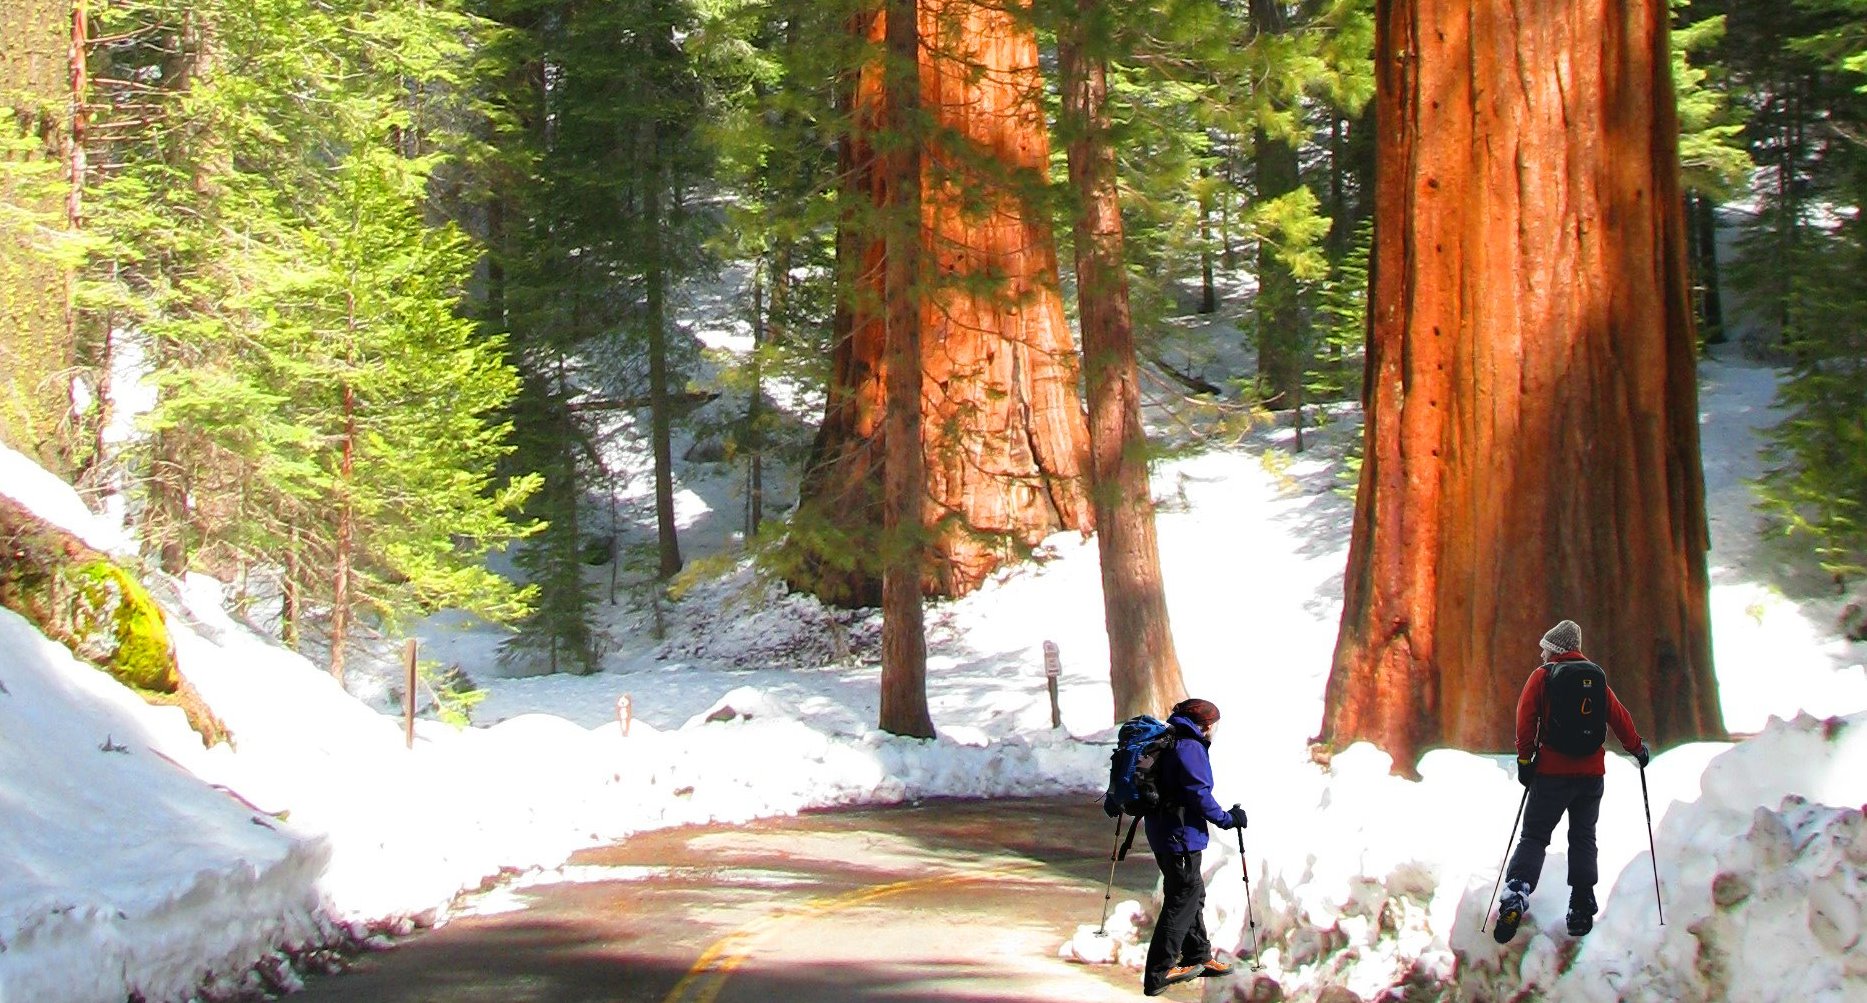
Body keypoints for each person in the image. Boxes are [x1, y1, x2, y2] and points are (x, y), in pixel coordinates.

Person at [1494, 619, 1650, 943]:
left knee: (1535, 836)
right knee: (1583, 837)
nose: (1542, 654)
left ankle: (1516, 893)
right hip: (1591, 776)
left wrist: (1525, 761)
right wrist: (1637, 749)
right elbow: (1619, 717)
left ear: (1555, 649)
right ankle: (1580, 904)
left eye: (1545, 649)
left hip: (1551, 774)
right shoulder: (1595, 678)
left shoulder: (1543, 677)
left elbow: (1526, 720)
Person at [1142, 697, 1250, 996]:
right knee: (1181, 899)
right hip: (1180, 835)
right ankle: (1159, 972)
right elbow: (1198, 794)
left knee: (1192, 893)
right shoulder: (1189, 746)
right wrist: (1227, 819)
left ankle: (1198, 955)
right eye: (1213, 724)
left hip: (1165, 831)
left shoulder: (1169, 737)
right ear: (1205, 724)